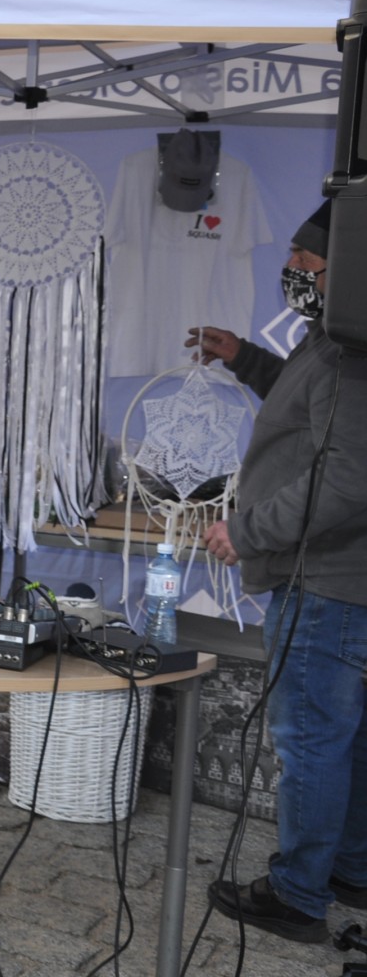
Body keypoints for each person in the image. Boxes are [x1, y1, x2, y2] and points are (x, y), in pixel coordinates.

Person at [196, 199, 367, 945]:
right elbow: (308, 422)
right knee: (345, 737)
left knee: (313, 741)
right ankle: (350, 870)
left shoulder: (351, 352)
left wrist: (247, 530)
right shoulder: (330, 340)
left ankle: (297, 895)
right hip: (334, 576)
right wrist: (245, 357)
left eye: (306, 258)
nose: (291, 268)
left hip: (323, 579)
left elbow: (346, 476)